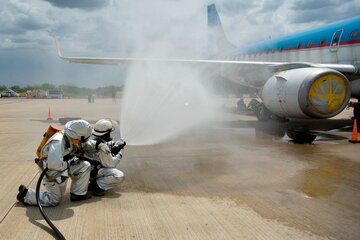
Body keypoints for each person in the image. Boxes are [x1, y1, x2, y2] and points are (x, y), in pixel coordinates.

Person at [17, 120, 93, 206]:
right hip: (52, 172)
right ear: (77, 137)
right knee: (53, 200)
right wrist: (70, 161)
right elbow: (54, 165)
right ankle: (26, 194)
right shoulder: (58, 142)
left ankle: (78, 194)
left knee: (84, 166)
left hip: (63, 166)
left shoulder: (70, 136)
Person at [83, 119, 126, 196]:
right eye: (109, 132)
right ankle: (95, 185)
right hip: (93, 172)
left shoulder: (91, 138)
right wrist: (119, 153)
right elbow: (110, 164)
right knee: (119, 176)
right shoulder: (103, 147)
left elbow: (106, 145)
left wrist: (115, 145)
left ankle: (90, 182)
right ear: (106, 134)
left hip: (87, 170)